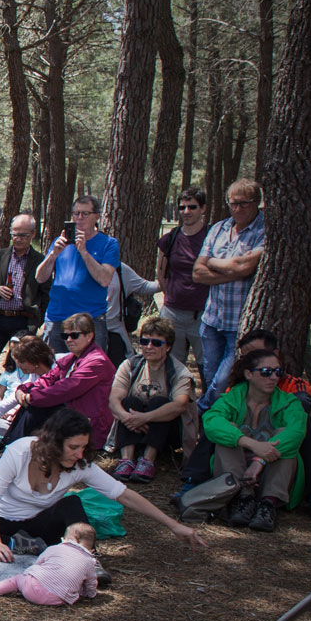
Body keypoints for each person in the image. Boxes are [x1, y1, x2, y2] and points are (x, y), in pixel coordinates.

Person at [0, 408, 206, 561]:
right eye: (73, 447)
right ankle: (16, 544)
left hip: (41, 523)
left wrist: (173, 525)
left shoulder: (81, 464)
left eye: (83, 447)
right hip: (2, 521)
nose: (79, 454)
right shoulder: (21, 451)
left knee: (72, 502)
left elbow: (125, 495)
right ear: (54, 443)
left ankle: (86, 557)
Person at [203, 347, 307, 533]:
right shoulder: (233, 398)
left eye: (278, 372)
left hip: (271, 474)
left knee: (284, 438)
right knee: (228, 433)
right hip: (236, 472)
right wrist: (251, 444)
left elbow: (296, 432)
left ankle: (268, 504)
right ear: (248, 374)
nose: (274, 377)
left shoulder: (289, 402)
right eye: (266, 372)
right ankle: (241, 498)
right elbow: (211, 422)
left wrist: (259, 460)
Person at [192, 178, 268, 412]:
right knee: (210, 378)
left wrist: (214, 263)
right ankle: (214, 427)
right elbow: (197, 271)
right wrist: (230, 269)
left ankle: (202, 413)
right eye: (233, 203)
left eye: (243, 204)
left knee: (223, 381)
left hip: (239, 323)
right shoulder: (219, 228)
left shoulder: (263, 230)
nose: (237, 209)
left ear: (256, 203)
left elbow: (245, 268)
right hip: (212, 319)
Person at [108, 317, 194, 482]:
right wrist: (127, 417)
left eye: (156, 343)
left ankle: (148, 461)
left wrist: (144, 418)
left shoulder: (179, 372)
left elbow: (180, 404)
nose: (149, 347)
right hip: (133, 423)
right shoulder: (130, 365)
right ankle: (127, 459)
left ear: (168, 347)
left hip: (167, 431)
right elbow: (114, 398)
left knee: (159, 403)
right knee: (129, 402)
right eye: (144, 341)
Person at [12, 313, 114, 449]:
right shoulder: (71, 358)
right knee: (34, 403)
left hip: (87, 423)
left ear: (89, 336)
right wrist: (24, 389)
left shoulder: (97, 362)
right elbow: (47, 379)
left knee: (36, 406)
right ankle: (12, 447)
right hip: (69, 414)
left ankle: (13, 447)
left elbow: (66, 389)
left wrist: (31, 397)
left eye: (74, 335)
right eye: (65, 336)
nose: (69, 340)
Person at [35, 194, 120, 345]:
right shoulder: (59, 242)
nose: (79, 217)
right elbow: (40, 278)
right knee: (54, 366)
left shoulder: (109, 243)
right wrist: (53, 254)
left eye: (85, 213)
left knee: (90, 367)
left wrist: (84, 252)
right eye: (76, 213)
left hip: (90, 320)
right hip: (57, 318)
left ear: (97, 217)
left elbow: (104, 279)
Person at [0, 214, 45, 364]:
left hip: (24, 320)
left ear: (33, 234)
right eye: (14, 234)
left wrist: (39, 320)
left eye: (23, 235)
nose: (18, 239)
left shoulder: (40, 261)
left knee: (15, 366)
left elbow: (46, 294)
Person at [153, 187, 210, 374]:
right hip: (173, 314)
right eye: (182, 207)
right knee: (170, 367)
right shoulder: (170, 238)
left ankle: (207, 404)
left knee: (207, 367)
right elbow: (161, 273)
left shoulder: (212, 237)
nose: (186, 212)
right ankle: (176, 403)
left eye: (192, 207)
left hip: (203, 315)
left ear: (202, 208)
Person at [0, 522, 101, 606]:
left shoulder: (55, 548)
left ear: (71, 539)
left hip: (32, 590)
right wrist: (90, 594)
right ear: (91, 550)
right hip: (58, 599)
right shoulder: (90, 561)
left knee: (17, 580)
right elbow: (91, 582)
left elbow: (38, 563)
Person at [0, 334, 55, 439]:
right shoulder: (34, 375)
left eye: (22, 362)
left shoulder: (57, 372)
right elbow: (16, 397)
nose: (19, 366)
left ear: (35, 360)